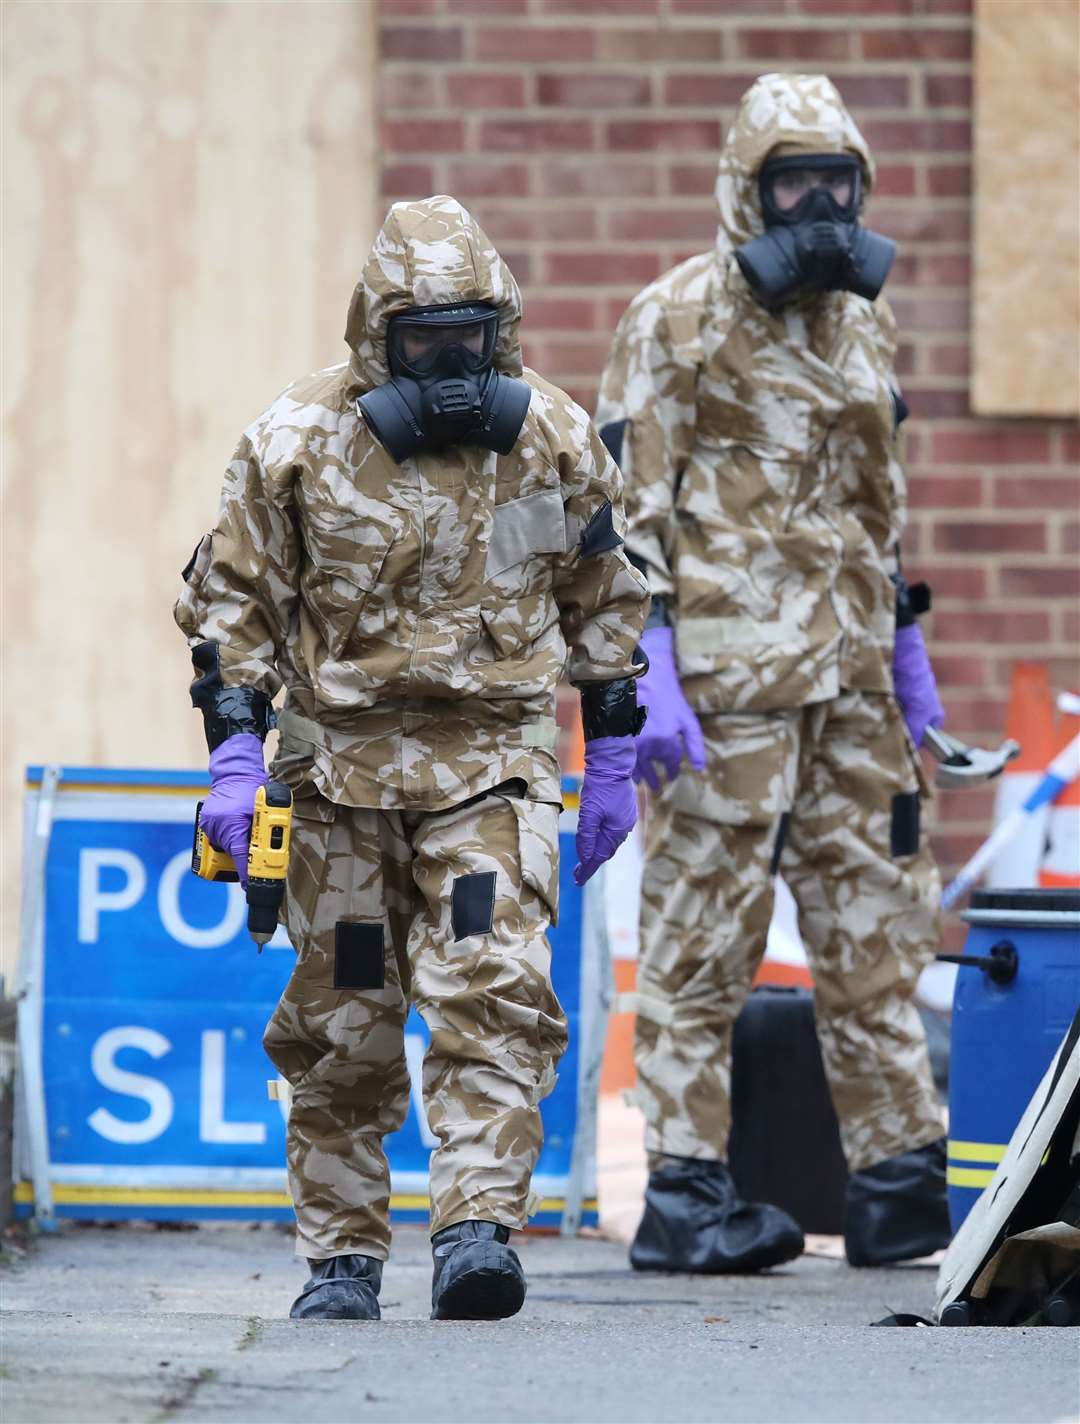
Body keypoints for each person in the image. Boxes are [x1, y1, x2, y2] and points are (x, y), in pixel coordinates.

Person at [176, 195, 648, 1320]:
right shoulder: (294, 441)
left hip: (492, 763)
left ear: (504, 332)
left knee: (491, 989)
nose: (448, 365)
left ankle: (476, 1227)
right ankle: (342, 1255)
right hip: (338, 774)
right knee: (344, 1018)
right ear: (374, 334)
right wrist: (237, 758)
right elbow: (230, 606)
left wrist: (616, 751)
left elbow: (605, 597)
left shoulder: (554, 439)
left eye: (469, 339)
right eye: (422, 341)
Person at [596, 73, 951, 1273]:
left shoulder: (862, 323)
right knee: (702, 938)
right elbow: (621, 507)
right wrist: (641, 662)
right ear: (746, 190)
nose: (819, 208)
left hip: (850, 682)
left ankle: (901, 1184)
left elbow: (876, 503)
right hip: (724, 690)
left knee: (877, 925)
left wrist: (905, 655)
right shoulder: (676, 317)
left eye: (836, 184)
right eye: (792, 183)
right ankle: (689, 1195)